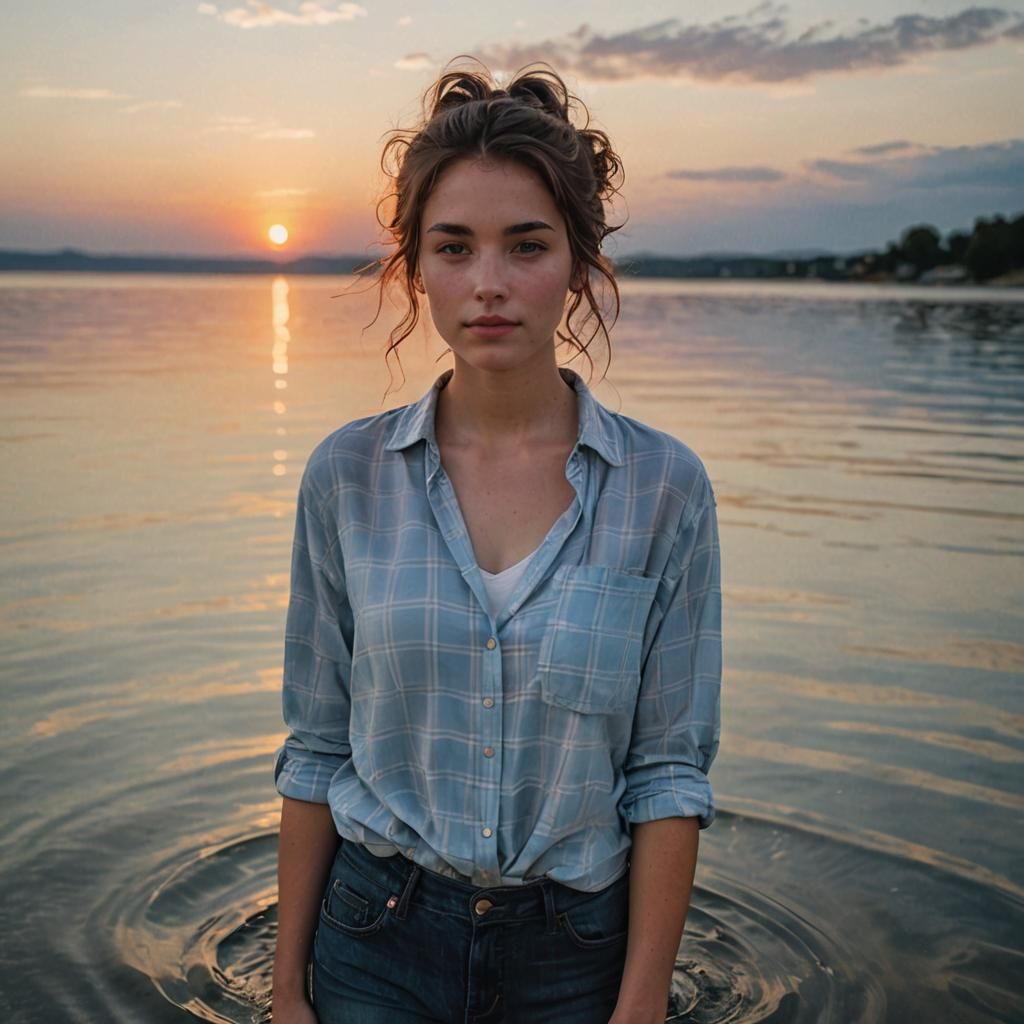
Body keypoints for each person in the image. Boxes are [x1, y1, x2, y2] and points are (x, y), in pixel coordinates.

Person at [270, 57, 722, 1024]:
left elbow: (668, 772)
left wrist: (640, 1006)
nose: (488, 285)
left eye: (525, 246)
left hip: (577, 953)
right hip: (374, 936)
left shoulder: (664, 489)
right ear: (414, 267)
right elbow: (314, 751)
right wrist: (284, 991)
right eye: (453, 248)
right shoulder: (346, 478)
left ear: (580, 260)